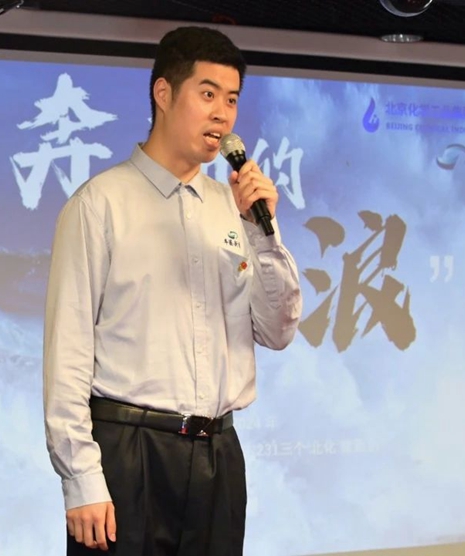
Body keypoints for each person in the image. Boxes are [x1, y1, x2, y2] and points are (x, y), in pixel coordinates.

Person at [43, 26, 302, 556]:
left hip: (217, 455)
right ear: (164, 93)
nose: (222, 115)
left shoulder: (234, 209)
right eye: (208, 94)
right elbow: (67, 351)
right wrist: (81, 478)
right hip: (129, 452)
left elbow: (278, 331)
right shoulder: (101, 204)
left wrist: (262, 233)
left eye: (232, 100)